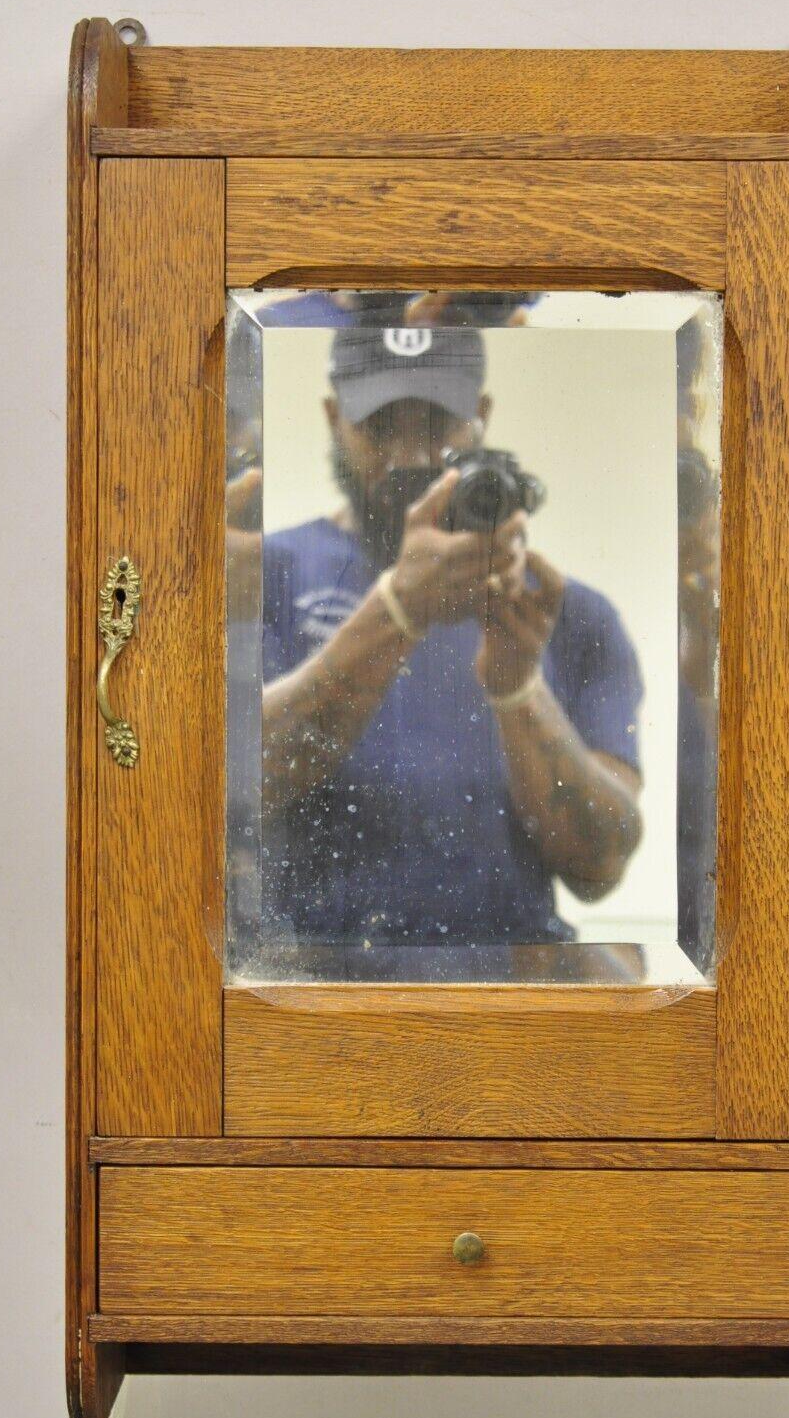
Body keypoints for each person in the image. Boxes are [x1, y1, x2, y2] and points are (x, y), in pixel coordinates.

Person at [256, 321, 646, 949]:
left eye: (438, 422)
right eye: (380, 425)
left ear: (481, 416)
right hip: (314, 991)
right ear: (333, 418)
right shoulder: (266, 575)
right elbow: (232, 792)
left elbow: (600, 865)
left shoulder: (572, 616)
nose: (411, 457)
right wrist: (398, 609)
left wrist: (518, 688)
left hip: (506, 993)